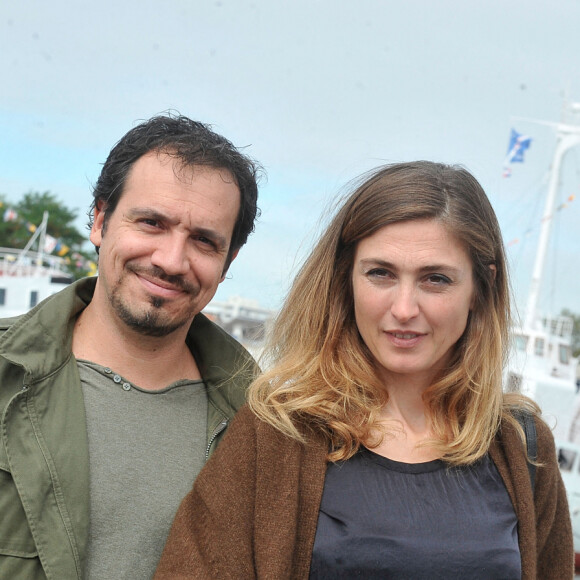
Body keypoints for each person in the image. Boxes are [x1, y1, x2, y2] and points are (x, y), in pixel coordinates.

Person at [155, 161, 573, 579]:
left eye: (436, 279)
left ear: (480, 290)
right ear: (345, 279)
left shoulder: (522, 447)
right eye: (381, 273)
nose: (404, 308)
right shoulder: (278, 432)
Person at [0, 113, 261, 580]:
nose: (171, 260)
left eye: (203, 240)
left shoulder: (262, 422)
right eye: (152, 223)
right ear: (101, 221)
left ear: (228, 262)